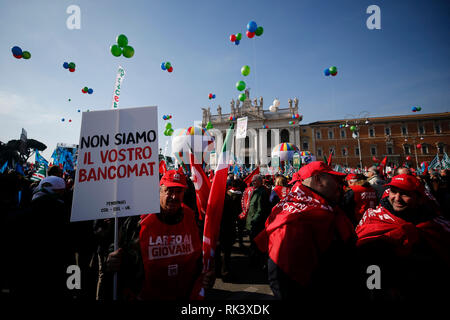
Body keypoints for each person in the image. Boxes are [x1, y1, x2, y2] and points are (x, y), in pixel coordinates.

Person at [106, 170, 215, 300]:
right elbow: (117, 247)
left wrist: (207, 273)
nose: (174, 197)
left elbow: (201, 256)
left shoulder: (192, 219)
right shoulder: (140, 219)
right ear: (159, 191)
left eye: (178, 191)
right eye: (169, 190)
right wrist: (112, 260)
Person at [255, 162, 356, 300]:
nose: (341, 184)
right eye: (335, 179)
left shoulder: (325, 207)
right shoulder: (293, 220)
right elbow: (283, 278)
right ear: (318, 180)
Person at [356, 174, 450, 300]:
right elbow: (368, 261)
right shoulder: (374, 218)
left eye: (405, 194)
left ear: (420, 198)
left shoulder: (436, 225)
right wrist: (375, 292)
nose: (397, 198)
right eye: (393, 192)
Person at [245, 174, 271, 268]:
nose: (252, 182)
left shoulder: (261, 192)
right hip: (252, 222)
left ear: (260, 181)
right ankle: (255, 262)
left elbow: (260, 210)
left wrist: (253, 221)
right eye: (252, 180)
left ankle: (256, 263)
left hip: (255, 224)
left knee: (256, 245)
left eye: (255, 180)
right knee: (253, 244)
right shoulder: (257, 191)